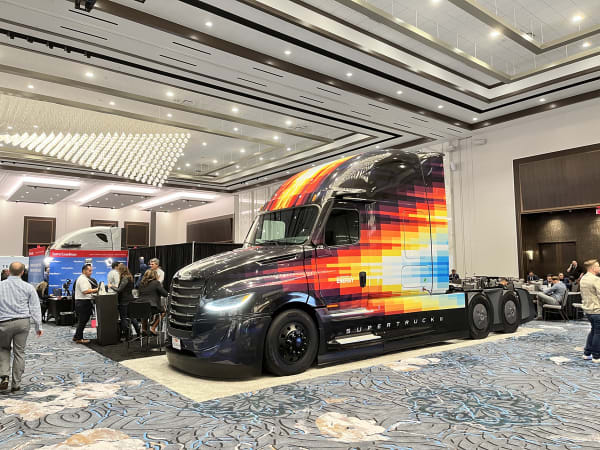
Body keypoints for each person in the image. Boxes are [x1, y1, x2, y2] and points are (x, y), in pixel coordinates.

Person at [0, 262, 43, 392]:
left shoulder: (0, 286)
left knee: (3, 349)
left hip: (3, 323)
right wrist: (38, 326)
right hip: (22, 323)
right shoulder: (28, 287)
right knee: (19, 352)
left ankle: (4, 375)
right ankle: (16, 384)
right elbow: (35, 308)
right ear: (23, 272)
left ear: (8, 271)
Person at [137, 269, 169, 335]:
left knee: (144, 312)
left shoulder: (140, 283)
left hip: (139, 307)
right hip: (152, 307)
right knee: (163, 311)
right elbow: (165, 294)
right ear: (155, 275)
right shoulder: (156, 283)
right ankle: (153, 328)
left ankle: (143, 329)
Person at [580, 259, 600, 362]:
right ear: (593, 268)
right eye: (598, 266)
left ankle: (587, 353)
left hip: (588, 310)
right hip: (597, 310)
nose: (599, 268)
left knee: (594, 331)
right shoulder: (596, 279)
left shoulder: (583, 278)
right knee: (598, 333)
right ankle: (596, 356)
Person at [73, 264, 99, 344]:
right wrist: (97, 289)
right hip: (83, 302)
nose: (91, 272)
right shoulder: (83, 279)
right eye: (89, 270)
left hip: (82, 302)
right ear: (84, 271)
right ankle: (79, 338)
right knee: (82, 321)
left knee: (82, 321)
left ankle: (76, 336)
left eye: (91, 270)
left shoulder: (84, 278)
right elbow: (85, 291)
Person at [115, 264, 140, 340]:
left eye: (118, 270)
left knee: (124, 318)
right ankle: (139, 334)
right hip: (130, 299)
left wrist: (110, 286)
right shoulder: (130, 277)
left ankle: (126, 336)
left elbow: (119, 290)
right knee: (133, 317)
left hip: (124, 301)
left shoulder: (125, 278)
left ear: (121, 270)